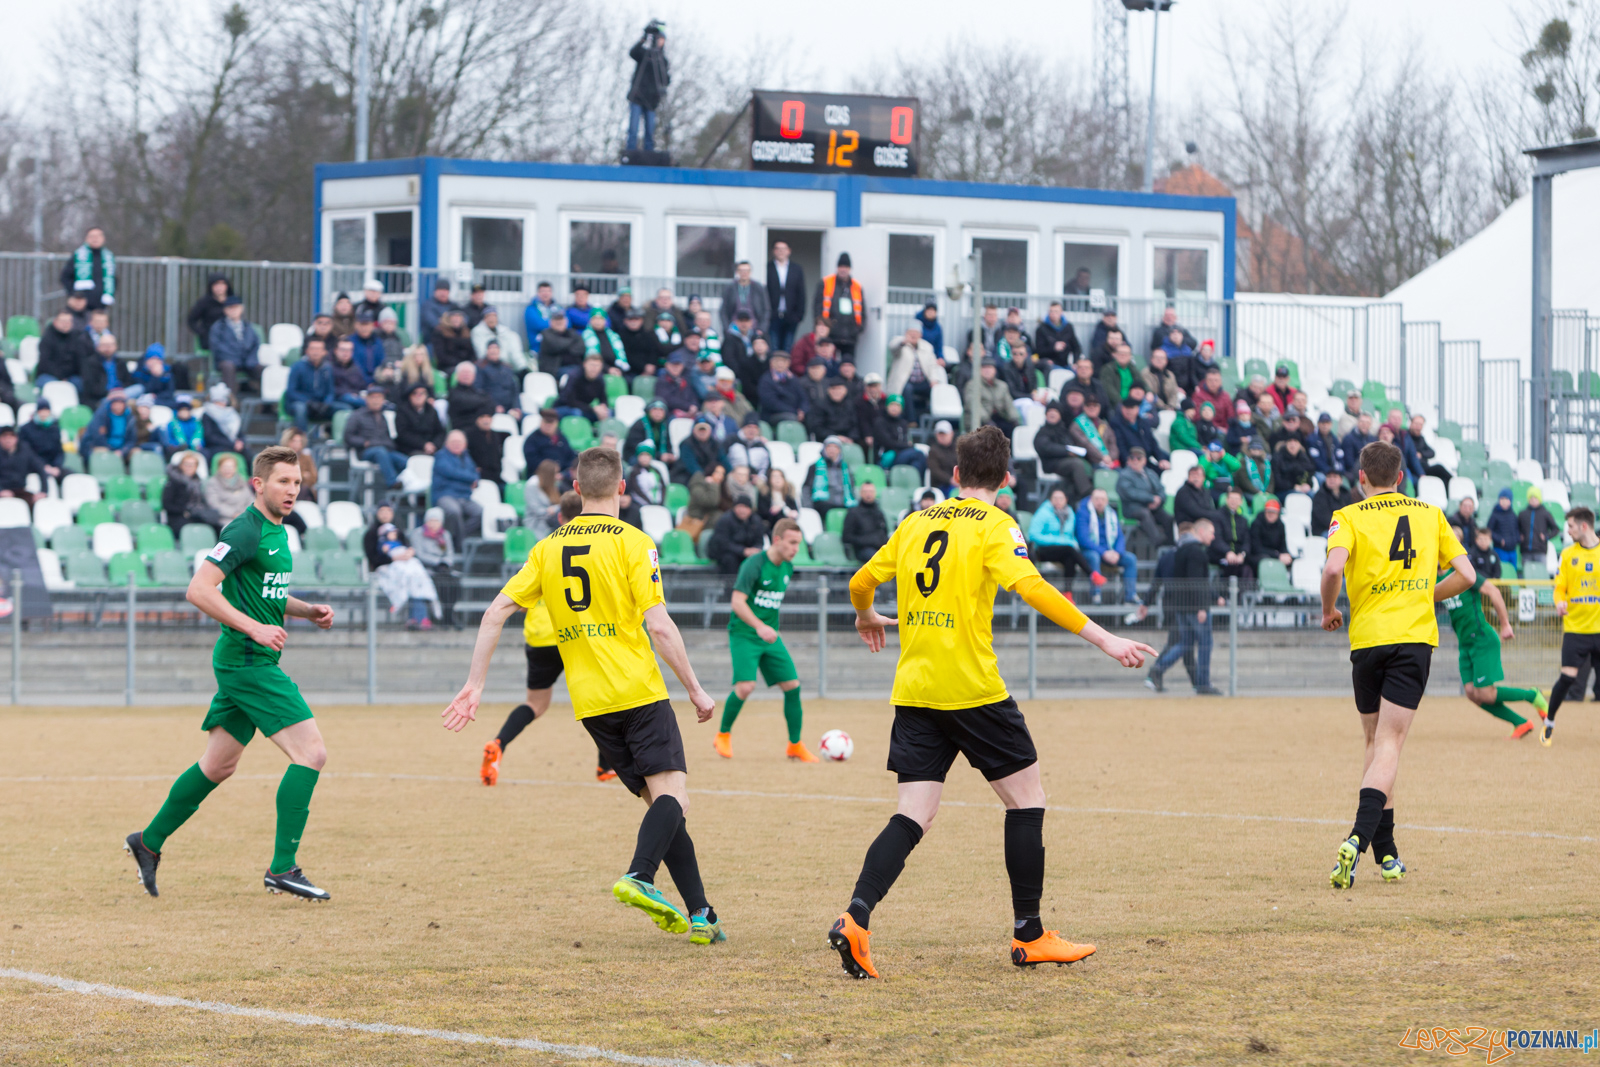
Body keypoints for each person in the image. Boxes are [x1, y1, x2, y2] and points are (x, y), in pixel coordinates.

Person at [830, 424, 1155, 979]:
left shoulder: (915, 521)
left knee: (914, 814)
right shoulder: (997, 526)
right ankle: (1029, 935)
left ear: (955, 475)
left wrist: (864, 614)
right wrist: (1107, 639)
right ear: (1005, 481)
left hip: (915, 692)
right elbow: (1032, 588)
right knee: (1027, 800)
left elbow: (862, 581)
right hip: (974, 690)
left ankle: (855, 919)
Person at [444, 445, 723, 942]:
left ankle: (702, 914)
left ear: (574, 488)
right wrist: (697, 690)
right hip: (637, 689)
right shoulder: (635, 542)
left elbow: (494, 613)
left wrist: (474, 685)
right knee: (674, 798)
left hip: (591, 705)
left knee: (663, 804)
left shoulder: (547, 547)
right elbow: (658, 625)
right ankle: (639, 875)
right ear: (621, 489)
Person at [124, 447, 336, 902]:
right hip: (247, 660)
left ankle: (148, 842)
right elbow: (198, 589)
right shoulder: (243, 529)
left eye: (297, 483)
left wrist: (305, 610)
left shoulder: (278, 532)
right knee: (311, 753)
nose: (292, 490)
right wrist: (255, 627)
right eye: (283, 482)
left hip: (250, 658)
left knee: (218, 765)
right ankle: (283, 868)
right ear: (258, 485)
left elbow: (266, 593)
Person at [1321, 439, 1472, 889]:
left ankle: (1388, 855)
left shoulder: (1346, 516)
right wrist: (1426, 594)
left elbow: (1332, 571)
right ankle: (1357, 840)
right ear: (1401, 478)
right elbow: (1467, 575)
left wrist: (1329, 610)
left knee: (1374, 742)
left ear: (1361, 478)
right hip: (1412, 640)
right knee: (1389, 745)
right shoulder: (1431, 514)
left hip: (1367, 640)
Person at [480, 492, 615, 784]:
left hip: (539, 636)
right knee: (600, 699)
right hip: (576, 634)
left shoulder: (543, 549)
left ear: (558, 517)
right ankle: (606, 765)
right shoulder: (595, 546)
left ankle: (499, 743)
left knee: (536, 704)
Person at [710, 516, 817, 763]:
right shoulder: (753, 564)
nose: (795, 549)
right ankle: (723, 735)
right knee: (746, 687)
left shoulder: (788, 567)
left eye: (798, 544)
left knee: (793, 686)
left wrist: (767, 629)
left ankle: (795, 745)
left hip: (769, 635)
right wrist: (759, 626)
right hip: (745, 634)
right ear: (777, 540)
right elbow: (737, 602)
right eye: (791, 543)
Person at [1439, 562, 1549, 739]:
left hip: (1482, 639)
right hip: (1464, 644)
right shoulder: (1435, 579)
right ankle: (1521, 722)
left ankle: (1532, 695)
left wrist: (1505, 624)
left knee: (1485, 694)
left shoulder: (1462, 573)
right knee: (1471, 693)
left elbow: (1493, 591)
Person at [1539, 507, 1600, 746]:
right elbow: (1559, 587)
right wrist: (1559, 601)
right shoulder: (1567, 554)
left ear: (1584, 526)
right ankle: (1550, 722)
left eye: (1571, 526)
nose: (1568, 531)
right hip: (1575, 629)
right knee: (1567, 678)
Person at [1145, 518, 1222, 695]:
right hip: (1195, 608)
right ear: (1201, 531)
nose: (1213, 536)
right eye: (1211, 533)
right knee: (1204, 644)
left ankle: (1158, 669)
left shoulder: (1179, 551)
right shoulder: (1197, 552)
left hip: (1181, 606)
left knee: (1185, 643)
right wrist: (1202, 607)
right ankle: (1203, 683)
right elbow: (1197, 583)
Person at [1027, 488, 1102, 592]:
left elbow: (1070, 535)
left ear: (1066, 500)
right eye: (1055, 498)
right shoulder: (1043, 513)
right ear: (1050, 500)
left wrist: (1072, 543)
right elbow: (1033, 535)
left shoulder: (1070, 513)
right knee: (1069, 549)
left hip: (1063, 549)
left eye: (1060, 498)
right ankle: (1092, 574)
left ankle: (1068, 593)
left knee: (1070, 558)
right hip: (1042, 549)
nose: (1058, 501)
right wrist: (1059, 541)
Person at [1077, 488, 1139, 607]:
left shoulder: (1111, 514)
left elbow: (1120, 537)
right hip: (1091, 552)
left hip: (1111, 553)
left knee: (1131, 559)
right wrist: (1104, 552)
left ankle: (1130, 596)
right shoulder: (1083, 513)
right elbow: (1083, 539)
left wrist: (1117, 553)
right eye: (1096, 499)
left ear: (1106, 501)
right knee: (1094, 557)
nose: (1100, 502)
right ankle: (1096, 594)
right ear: (1091, 500)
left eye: (1102, 499)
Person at [344, 385, 407, 489]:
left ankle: (402, 484)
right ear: (366, 399)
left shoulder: (383, 417)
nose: (376, 400)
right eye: (373, 397)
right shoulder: (357, 415)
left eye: (379, 397)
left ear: (383, 400)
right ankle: (392, 483)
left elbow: (388, 437)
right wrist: (364, 443)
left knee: (404, 461)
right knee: (380, 452)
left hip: (384, 450)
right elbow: (348, 436)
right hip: (365, 451)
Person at [887, 322, 944, 424]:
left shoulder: (927, 347)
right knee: (907, 389)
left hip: (922, 381)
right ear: (906, 333)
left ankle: (937, 421)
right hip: (905, 382)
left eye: (916, 333)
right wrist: (903, 342)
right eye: (910, 332)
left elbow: (932, 366)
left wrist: (934, 379)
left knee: (937, 390)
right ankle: (912, 421)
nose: (913, 335)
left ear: (920, 335)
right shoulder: (900, 343)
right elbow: (893, 348)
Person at [432, 430, 482, 545]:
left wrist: (473, 479)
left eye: (459, 442)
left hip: (464, 496)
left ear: (465, 444)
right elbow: (451, 472)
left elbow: (476, 474)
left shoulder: (466, 457)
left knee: (481, 512)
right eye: (453, 441)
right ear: (446, 443)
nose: (457, 444)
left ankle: (457, 538)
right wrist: (470, 479)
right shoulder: (441, 456)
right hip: (444, 495)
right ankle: (458, 543)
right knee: (453, 511)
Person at [625, 21, 669, 151]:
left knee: (650, 132)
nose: (661, 42)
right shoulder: (644, 54)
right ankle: (630, 152)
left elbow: (665, 79)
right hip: (638, 97)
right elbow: (633, 53)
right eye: (659, 39)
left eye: (663, 39)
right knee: (633, 129)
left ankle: (649, 154)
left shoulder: (662, 60)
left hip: (652, 101)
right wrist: (644, 37)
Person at [1116, 448, 1170, 549]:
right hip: (1132, 508)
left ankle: (1170, 543)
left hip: (1151, 506)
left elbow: (1161, 489)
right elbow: (1130, 493)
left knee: (1167, 517)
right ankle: (1157, 542)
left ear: (1144, 460)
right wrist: (1151, 499)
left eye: (1139, 458)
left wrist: (1159, 499)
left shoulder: (1151, 473)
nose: (1135, 461)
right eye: (1132, 458)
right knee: (1144, 513)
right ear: (1128, 460)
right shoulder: (1124, 475)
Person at [208, 296, 261, 396]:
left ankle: (266, 405)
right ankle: (231, 401)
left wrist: (250, 360)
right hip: (227, 361)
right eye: (230, 308)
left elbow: (255, 345)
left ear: (241, 308)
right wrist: (237, 358)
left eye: (236, 307)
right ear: (225, 310)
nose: (233, 311)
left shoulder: (248, 327)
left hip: (247, 362)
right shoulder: (218, 327)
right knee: (229, 367)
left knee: (264, 370)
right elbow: (217, 347)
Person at [162, 451, 223, 535]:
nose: (189, 467)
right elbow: (167, 504)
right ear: (181, 465)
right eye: (186, 464)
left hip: (196, 514)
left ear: (196, 467)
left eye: (192, 465)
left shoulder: (198, 482)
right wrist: (184, 511)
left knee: (216, 527)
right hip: (179, 516)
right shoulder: (173, 481)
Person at [815, 253, 863, 358]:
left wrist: (858, 328)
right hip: (830, 334)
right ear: (837, 268)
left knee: (848, 364)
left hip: (850, 335)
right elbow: (817, 306)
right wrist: (821, 327)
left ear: (850, 269)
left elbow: (862, 309)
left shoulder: (856, 286)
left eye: (846, 267)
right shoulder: (826, 283)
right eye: (841, 266)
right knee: (829, 362)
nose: (843, 269)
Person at [283, 337, 334, 433]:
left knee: (343, 409)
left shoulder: (328, 368)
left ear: (324, 352)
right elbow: (291, 391)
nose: (315, 352)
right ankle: (303, 444)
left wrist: (327, 404)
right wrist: (308, 402)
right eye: (313, 349)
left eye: (318, 349)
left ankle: (339, 443)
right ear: (307, 351)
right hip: (299, 403)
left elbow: (330, 391)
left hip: (320, 404)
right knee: (300, 408)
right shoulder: (297, 367)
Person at [62, 226, 116, 309]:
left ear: (103, 239)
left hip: (101, 305)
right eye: (92, 236)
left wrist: (110, 294)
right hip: (80, 305)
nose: (95, 239)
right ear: (86, 239)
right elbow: (65, 277)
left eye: (98, 236)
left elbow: (113, 279)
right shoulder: (78, 256)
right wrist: (74, 294)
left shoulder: (108, 257)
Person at [766, 241, 806, 351]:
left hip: (791, 316)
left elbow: (801, 293)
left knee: (788, 348)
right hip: (773, 316)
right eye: (778, 248)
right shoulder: (767, 268)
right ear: (773, 251)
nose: (780, 251)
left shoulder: (796, 269)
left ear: (789, 251)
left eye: (783, 249)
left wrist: (799, 315)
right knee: (773, 347)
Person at [804, 436, 855, 520]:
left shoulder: (846, 468)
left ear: (839, 450)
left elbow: (851, 487)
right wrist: (808, 507)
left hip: (844, 503)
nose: (832, 449)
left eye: (835, 447)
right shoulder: (814, 466)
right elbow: (806, 488)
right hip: (823, 504)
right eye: (829, 446)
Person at [0, 425, 49, 507]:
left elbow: (40, 469)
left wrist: (43, 491)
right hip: (3, 490)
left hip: (20, 490)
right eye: (4, 437)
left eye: (11, 437)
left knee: (37, 504)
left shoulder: (25, 451)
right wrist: (1, 490)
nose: (8, 440)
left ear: (16, 438)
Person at [523, 408, 578, 480]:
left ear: (556, 423)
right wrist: (551, 469)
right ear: (541, 422)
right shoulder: (532, 439)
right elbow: (532, 460)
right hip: (540, 476)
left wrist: (565, 472)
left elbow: (570, 455)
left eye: (551, 423)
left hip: (562, 476)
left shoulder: (561, 437)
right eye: (545, 422)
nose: (548, 426)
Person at [396, 382, 448, 456]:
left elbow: (440, 432)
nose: (418, 396)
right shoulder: (402, 411)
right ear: (409, 396)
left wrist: (434, 445)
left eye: (422, 393)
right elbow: (403, 434)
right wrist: (423, 445)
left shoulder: (431, 411)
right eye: (415, 393)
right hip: (410, 449)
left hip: (432, 448)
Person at [842, 481, 890, 561]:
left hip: (880, 549)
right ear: (861, 493)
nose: (868, 494)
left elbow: (885, 532)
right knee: (879, 560)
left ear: (875, 493)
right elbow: (846, 537)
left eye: (871, 491)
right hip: (862, 550)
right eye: (865, 491)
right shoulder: (853, 513)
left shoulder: (879, 513)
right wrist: (869, 540)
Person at [758, 351, 809, 424]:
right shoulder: (766, 380)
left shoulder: (794, 378)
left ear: (788, 363)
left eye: (783, 361)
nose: (780, 364)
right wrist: (794, 412)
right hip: (773, 414)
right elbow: (771, 403)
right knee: (791, 418)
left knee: (812, 415)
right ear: (771, 363)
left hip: (794, 412)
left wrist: (802, 410)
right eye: (777, 361)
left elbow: (803, 397)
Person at [203, 453, 254, 525]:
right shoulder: (213, 482)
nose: (228, 470)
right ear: (219, 467)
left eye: (231, 467)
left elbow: (251, 500)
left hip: (244, 517)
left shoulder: (242, 481)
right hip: (224, 519)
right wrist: (234, 514)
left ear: (235, 468)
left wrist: (244, 514)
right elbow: (214, 503)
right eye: (225, 467)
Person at [1248, 496, 1293, 576]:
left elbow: (1283, 545)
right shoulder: (1257, 523)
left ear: (1278, 513)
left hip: (1274, 554)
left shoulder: (1281, 525)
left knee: (1291, 560)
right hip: (1258, 555)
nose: (1271, 514)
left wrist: (1285, 554)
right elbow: (1256, 547)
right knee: (1264, 559)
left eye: (1273, 512)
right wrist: (1277, 555)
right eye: (1269, 512)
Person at [186, 272, 234, 347]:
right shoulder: (204, 302)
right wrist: (203, 333)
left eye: (222, 284)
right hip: (210, 339)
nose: (219, 287)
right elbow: (191, 320)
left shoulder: (233, 301)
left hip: (231, 337)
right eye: (216, 284)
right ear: (211, 286)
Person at [447, 360, 495, 430]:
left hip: (479, 429)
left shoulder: (479, 393)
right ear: (457, 375)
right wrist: (483, 403)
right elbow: (463, 402)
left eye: (469, 372)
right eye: (463, 372)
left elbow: (491, 406)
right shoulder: (453, 392)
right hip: (462, 429)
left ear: (474, 376)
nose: (466, 375)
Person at [19, 402, 65, 473]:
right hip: (33, 467)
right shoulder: (25, 429)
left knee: (70, 475)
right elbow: (27, 452)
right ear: (37, 412)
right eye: (41, 411)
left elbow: (59, 451)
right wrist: (43, 466)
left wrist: (57, 467)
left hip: (53, 467)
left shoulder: (55, 429)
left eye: (46, 411)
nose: (44, 414)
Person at [1519, 488, 1559, 566]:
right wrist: (1520, 536)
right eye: (1531, 498)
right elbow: (1517, 528)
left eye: (1535, 498)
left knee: (1541, 574)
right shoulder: (1522, 514)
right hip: (1525, 551)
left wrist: (1546, 536)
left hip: (1540, 550)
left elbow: (1555, 529)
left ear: (1539, 499)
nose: (1533, 500)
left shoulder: (1545, 513)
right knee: (1527, 575)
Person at [1311, 468, 1353, 537]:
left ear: (1341, 480)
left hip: (1343, 528)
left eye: (1335, 477)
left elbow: (1351, 513)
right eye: (1329, 477)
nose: (1332, 479)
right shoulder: (1320, 495)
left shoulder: (1345, 493)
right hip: (1324, 530)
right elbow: (1325, 519)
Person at [1487, 488, 1519, 568]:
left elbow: (1516, 529)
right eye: (1502, 499)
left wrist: (1516, 540)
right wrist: (1500, 540)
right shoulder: (1494, 514)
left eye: (1506, 499)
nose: (1504, 501)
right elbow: (1489, 530)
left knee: (1512, 571)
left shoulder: (1513, 514)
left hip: (1512, 550)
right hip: (1500, 550)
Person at [927, 420, 958, 496]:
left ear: (952, 434)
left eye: (944, 434)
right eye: (940, 434)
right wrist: (950, 480)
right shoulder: (933, 450)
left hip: (958, 482)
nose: (942, 436)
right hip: (941, 486)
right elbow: (935, 471)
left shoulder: (958, 448)